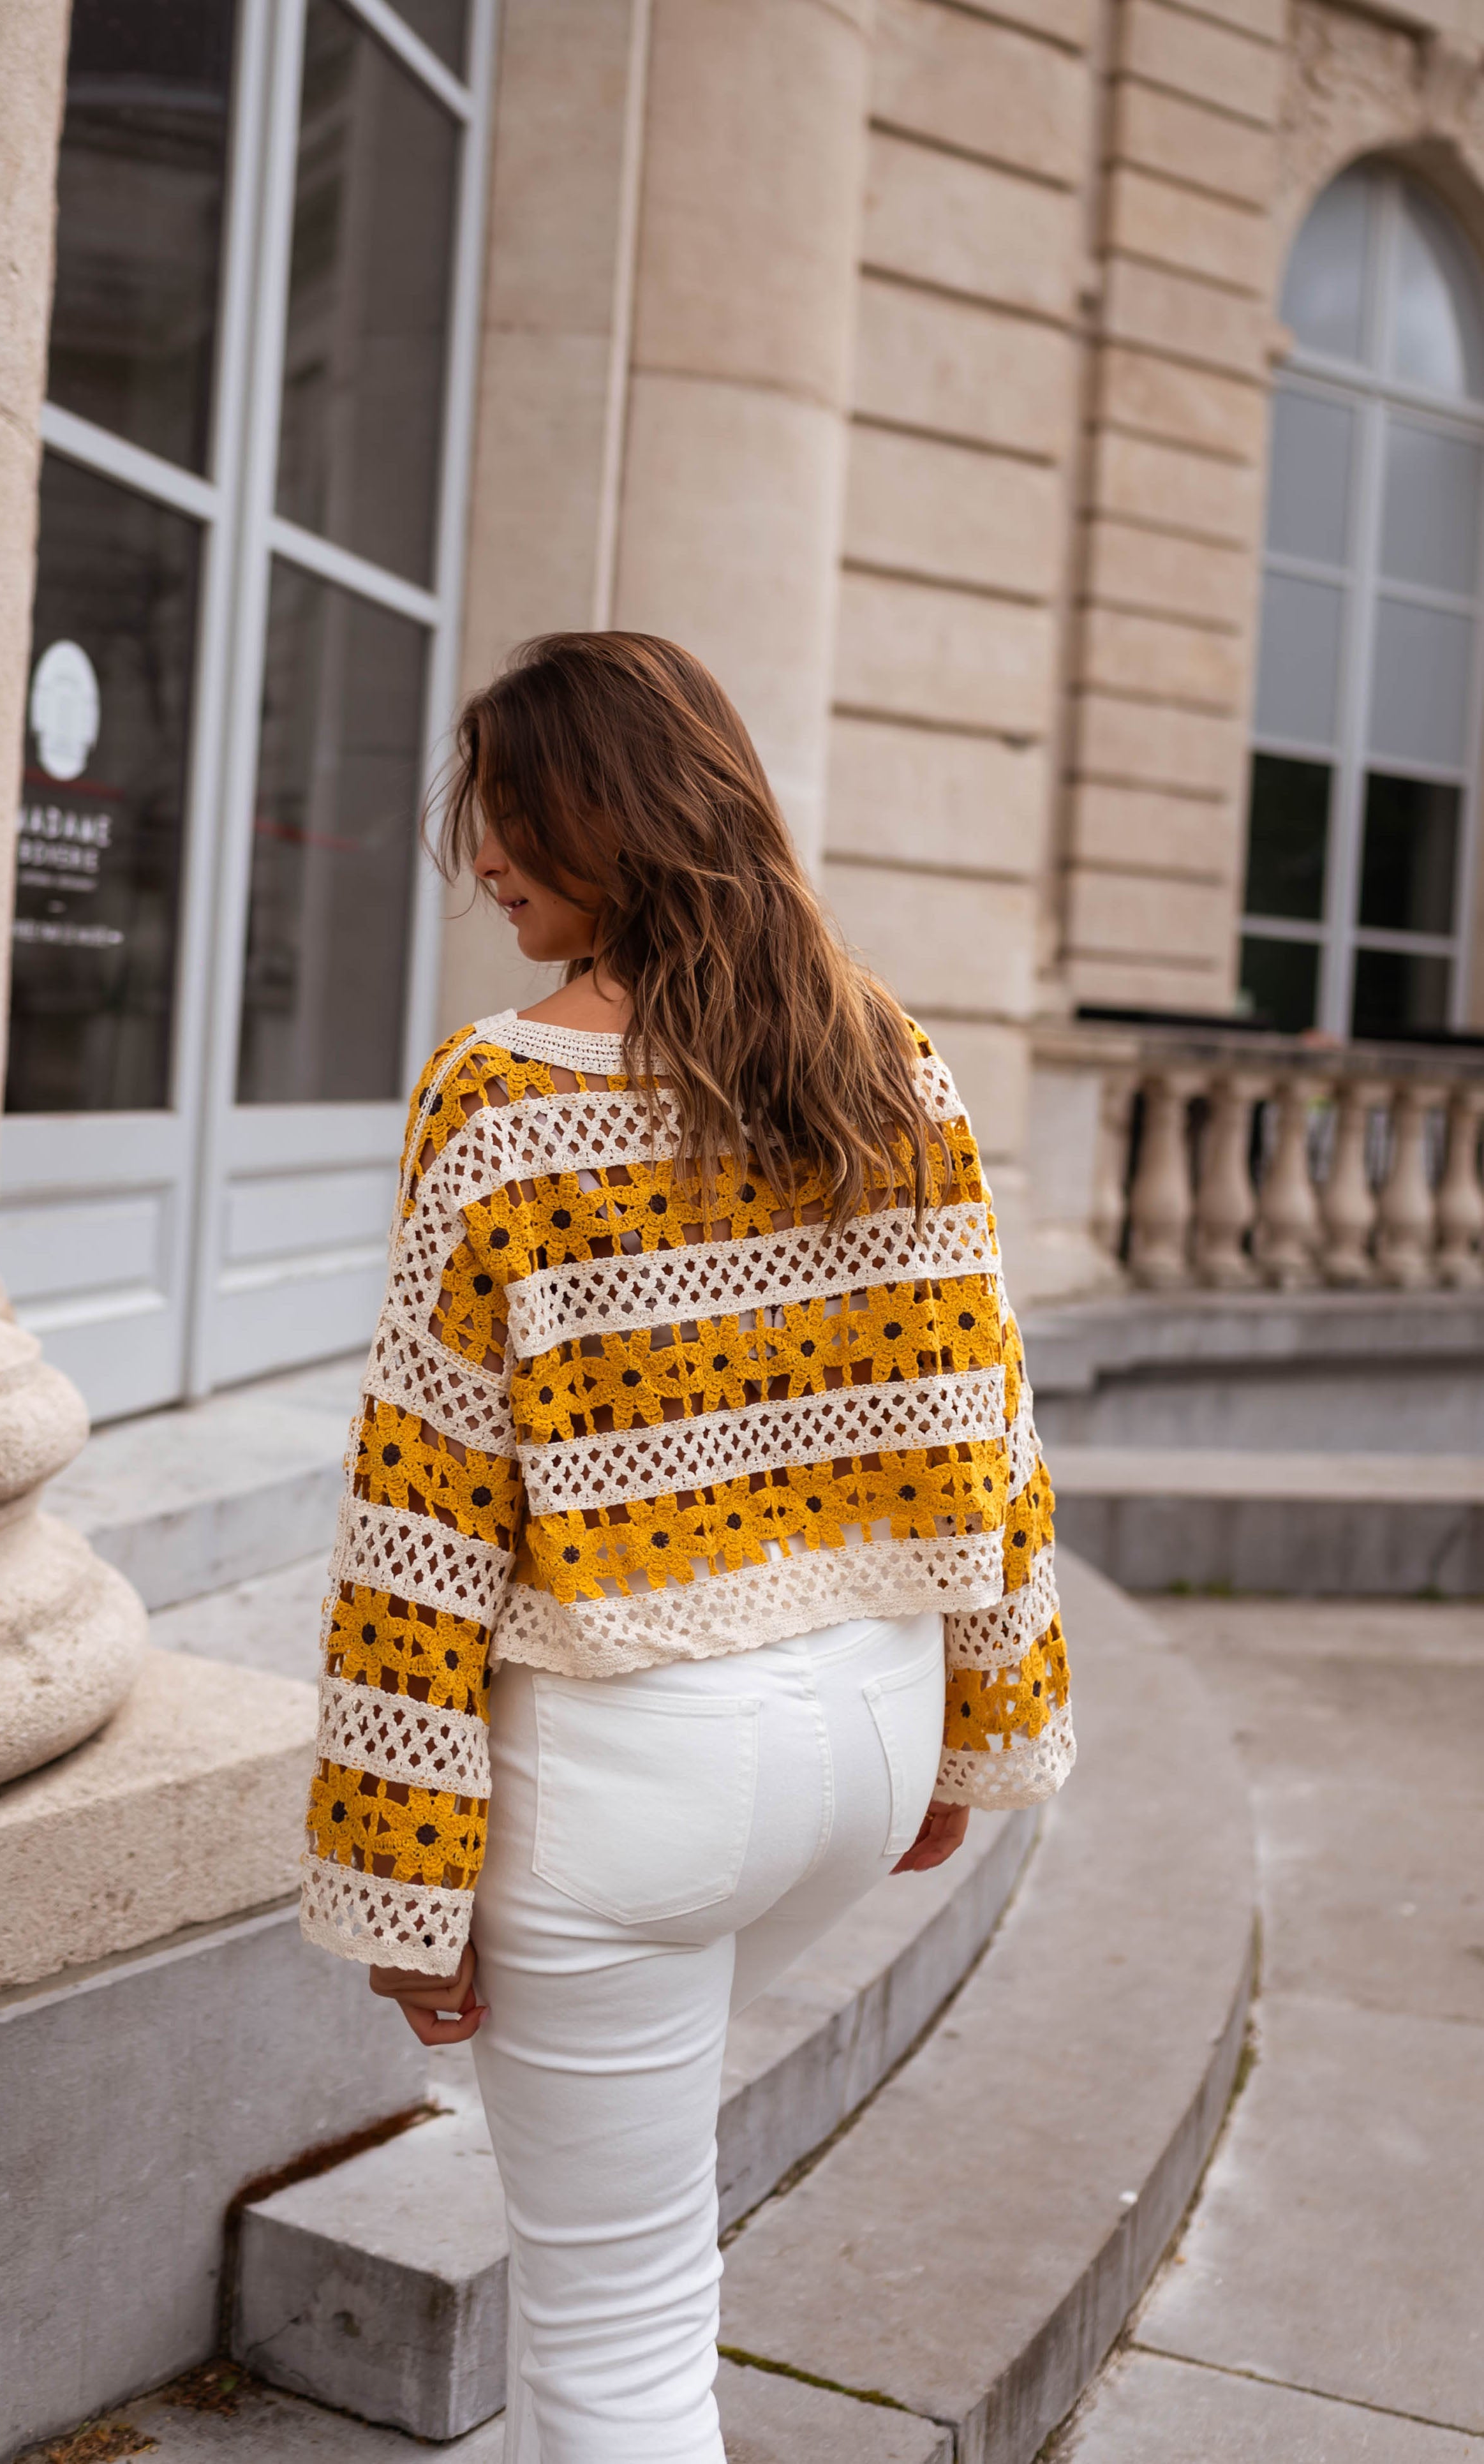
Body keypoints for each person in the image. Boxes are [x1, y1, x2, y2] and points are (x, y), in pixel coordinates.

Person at [301, 632, 1073, 2464]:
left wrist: (402, 1877)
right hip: (859, 1743)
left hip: (632, 1779)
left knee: (615, 2329)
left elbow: (425, 1516)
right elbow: (988, 1436)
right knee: (656, 2269)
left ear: (617, 815)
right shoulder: (889, 1065)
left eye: (509, 814)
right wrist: (976, 1723)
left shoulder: (499, 1099)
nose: (481, 858)